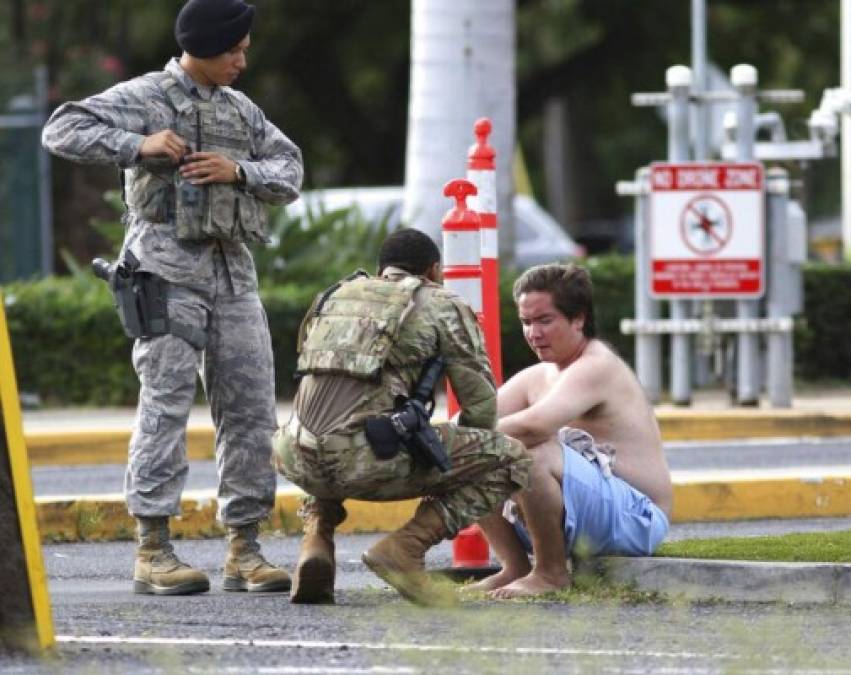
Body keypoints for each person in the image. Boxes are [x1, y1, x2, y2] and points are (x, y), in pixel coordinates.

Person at [42, 0, 302, 595]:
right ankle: (153, 550)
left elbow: (289, 167)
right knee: (166, 406)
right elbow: (62, 128)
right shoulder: (147, 95)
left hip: (234, 276)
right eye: (233, 50)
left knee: (251, 410)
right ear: (203, 48)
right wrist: (138, 145)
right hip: (163, 273)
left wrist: (240, 171)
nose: (242, 60)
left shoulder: (242, 109)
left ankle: (246, 548)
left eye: (244, 49)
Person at [273, 228, 531, 607]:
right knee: (511, 458)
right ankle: (405, 549)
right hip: (365, 460)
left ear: (381, 272)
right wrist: (455, 468)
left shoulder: (333, 296)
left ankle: (317, 539)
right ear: (434, 270)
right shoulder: (441, 303)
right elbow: (480, 406)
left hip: (292, 454)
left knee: (330, 428)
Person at [472, 263, 673, 599]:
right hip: (585, 517)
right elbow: (474, 419)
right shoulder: (538, 375)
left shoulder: (597, 365)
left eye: (544, 320)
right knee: (469, 451)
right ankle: (516, 566)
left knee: (528, 448)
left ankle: (551, 574)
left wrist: (459, 438)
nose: (533, 333)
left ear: (578, 319)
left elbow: (535, 426)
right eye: (526, 322)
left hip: (636, 519)